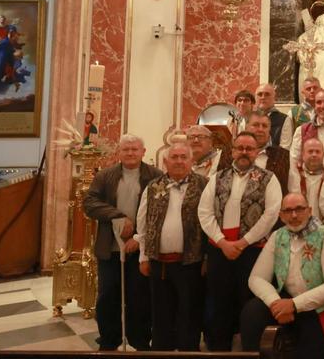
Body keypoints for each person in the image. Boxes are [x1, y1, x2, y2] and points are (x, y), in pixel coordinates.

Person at [197, 131, 283, 351]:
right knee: (219, 302)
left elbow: (271, 214)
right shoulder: (217, 177)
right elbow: (204, 212)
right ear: (233, 151)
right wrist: (222, 242)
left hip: (253, 250)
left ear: (256, 152)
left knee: (249, 302)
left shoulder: (268, 178)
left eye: (249, 149)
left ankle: (250, 350)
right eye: (240, 148)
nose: (244, 152)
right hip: (220, 249)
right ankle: (219, 350)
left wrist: (244, 242)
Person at [240, 192, 324, 355]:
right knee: (252, 311)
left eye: (299, 209)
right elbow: (256, 277)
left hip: (319, 308)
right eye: (288, 211)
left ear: (310, 210)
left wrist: (295, 305)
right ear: (281, 215)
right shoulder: (277, 236)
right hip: (285, 303)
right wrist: (275, 304)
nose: (294, 215)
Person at [83, 134, 160, 351]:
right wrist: (116, 215)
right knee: (108, 296)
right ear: (119, 152)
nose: (130, 153)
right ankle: (109, 340)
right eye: (126, 149)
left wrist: (138, 238)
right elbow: (89, 202)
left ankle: (140, 341)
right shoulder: (105, 176)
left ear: (143, 152)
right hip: (110, 248)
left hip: (141, 249)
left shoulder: (155, 176)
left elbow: (159, 211)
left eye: (135, 149)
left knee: (140, 298)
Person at [134, 142, 207, 351]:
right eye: (174, 157)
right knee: (161, 314)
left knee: (189, 313)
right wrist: (143, 256)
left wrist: (208, 259)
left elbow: (212, 222)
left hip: (191, 263)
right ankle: (161, 351)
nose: (179, 161)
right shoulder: (154, 185)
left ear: (191, 161)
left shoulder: (204, 184)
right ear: (165, 161)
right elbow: (143, 222)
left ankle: (188, 352)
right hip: (159, 263)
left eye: (184, 157)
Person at [247, 111, 290, 193]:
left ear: (269, 130)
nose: (260, 129)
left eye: (264, 126)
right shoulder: (231, 154)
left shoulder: (284, 156)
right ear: (246, 127)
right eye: (256, 125)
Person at [291, 138, 324, 218]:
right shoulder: (294, 174)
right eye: (310, 151)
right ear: (303, 155)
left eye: (317, 152)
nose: (314, 155)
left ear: (323, 155)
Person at [255, 83, 294, 150]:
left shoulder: (284, 119)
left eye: (267, 94)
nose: (263, 97)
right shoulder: (248, 118)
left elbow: (284, 148)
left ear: (274, 98)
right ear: (255, 97)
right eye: (260, 94)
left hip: (273, 159)